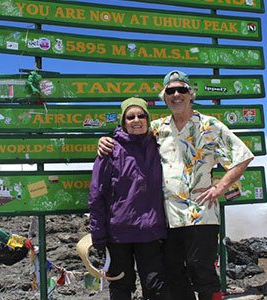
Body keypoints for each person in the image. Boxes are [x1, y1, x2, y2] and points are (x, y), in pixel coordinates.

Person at [98, 71, 254, 300]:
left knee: (202, 271)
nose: (176, 95)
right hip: (167, 218)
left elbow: (242, 156)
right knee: (173, 273)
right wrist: (104, 140)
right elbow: (130, 133)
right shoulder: (157, 128)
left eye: (182, 89)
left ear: (191, 94)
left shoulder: (210, 126)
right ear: (164, 97)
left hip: (202, 214)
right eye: (170, 91)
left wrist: (221, 186)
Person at [89, 97, 171, 300]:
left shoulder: (159, 144)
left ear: (148, 119)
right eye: (130, 116)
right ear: (123, 121)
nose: (136, 120)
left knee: (157, 288)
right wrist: (98, 236)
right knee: (120, 288)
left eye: (141, 115)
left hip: (151, 233)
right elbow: (96, 194)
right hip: (118, 235)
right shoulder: (110, 150)